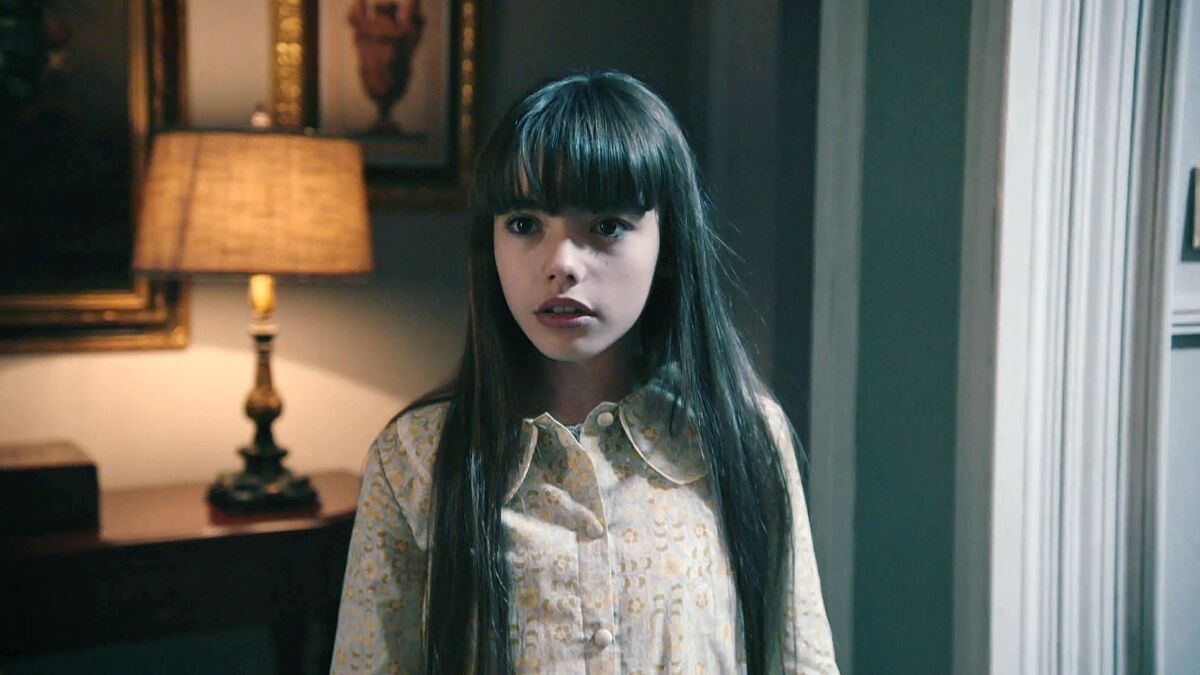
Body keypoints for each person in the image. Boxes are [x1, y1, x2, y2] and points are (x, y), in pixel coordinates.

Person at [331, 70, 838, 674]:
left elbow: (801, 661)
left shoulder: (742, 436)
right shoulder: (415, 459)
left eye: (606, 226)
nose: (562, 264)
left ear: (668, 245)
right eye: (525, 224)